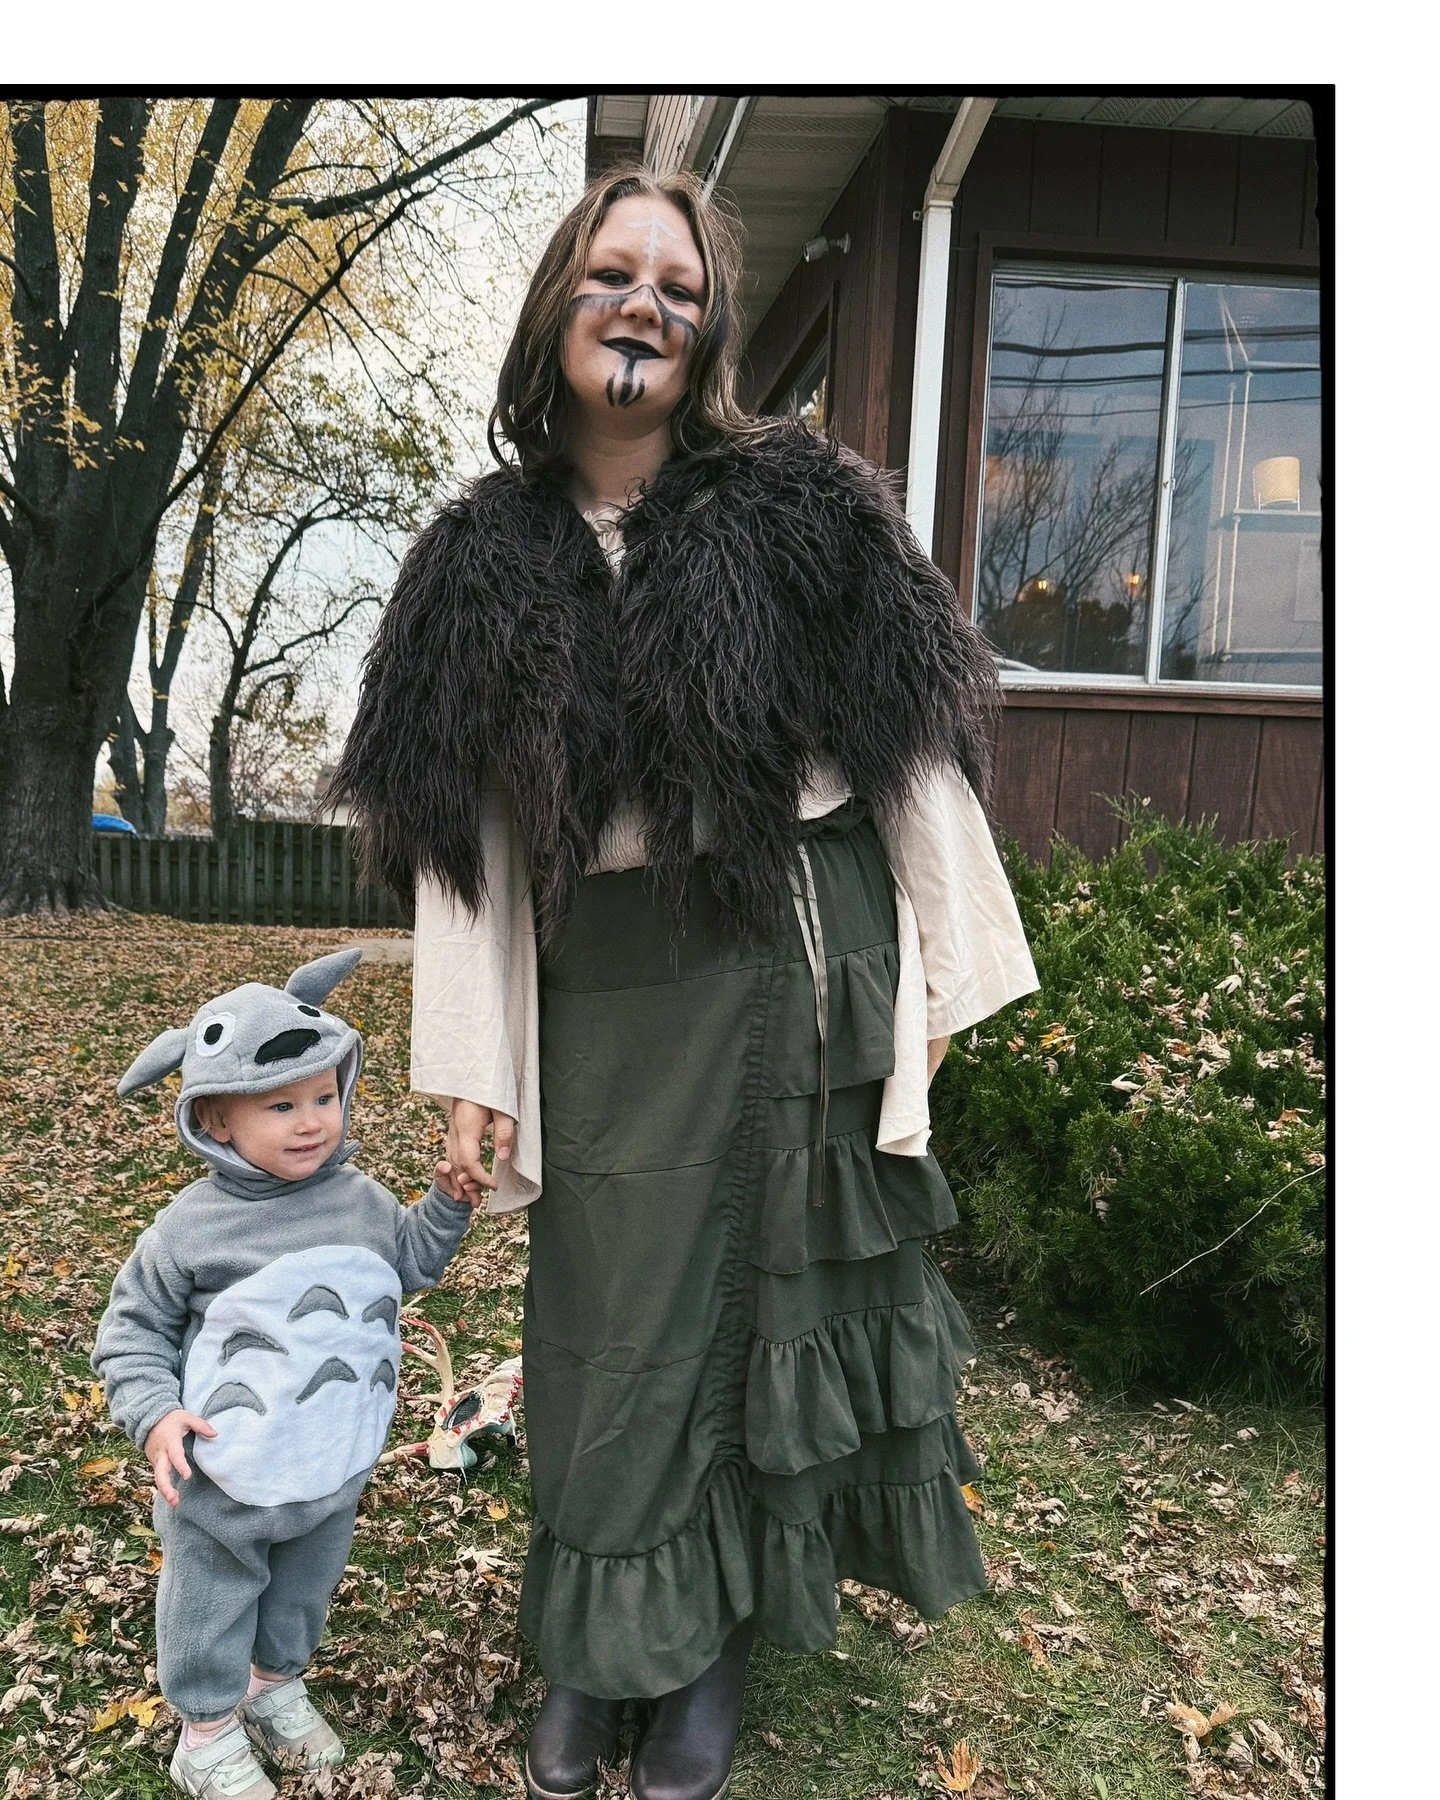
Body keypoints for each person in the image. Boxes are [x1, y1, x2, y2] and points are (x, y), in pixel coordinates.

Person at [332, 166, 1039, 1800]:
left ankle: (709, 1653)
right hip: (607, 987)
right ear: (557, 309)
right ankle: (596, 1647)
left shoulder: (796, 507)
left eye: (676, 282)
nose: (641, 303)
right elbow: (464, 848)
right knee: (604, 1325)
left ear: (707, 322)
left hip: (787, 948)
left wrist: (937, 968)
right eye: (610, 274)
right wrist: (468, 1067)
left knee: (748, 1319)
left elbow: (910, 743)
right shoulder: (477, 562)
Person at [91, 948, 482, 1800]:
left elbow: (408, 1262)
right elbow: (129, 1331)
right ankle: (206, 1728)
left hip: (331, 1455)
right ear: (218, 1121)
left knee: (305, 1581)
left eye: (323, 1097)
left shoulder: (361, 1198)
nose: (312, 1122)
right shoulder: (189, 1231)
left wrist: (446, 1203)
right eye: (281, 1105)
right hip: (224, 1470)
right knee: (214, 1595)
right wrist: (155, 1412)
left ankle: (272, 1684)